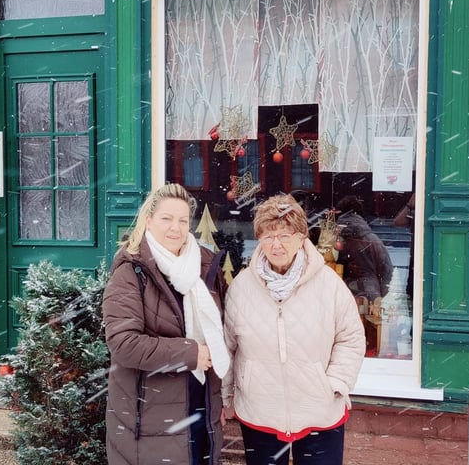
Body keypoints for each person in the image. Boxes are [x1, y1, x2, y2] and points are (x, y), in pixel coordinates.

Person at [222, 193, 365, 465]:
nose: (276, 245)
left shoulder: (328, 284)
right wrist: (227, 395)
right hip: (260, 410)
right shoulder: (242, 287)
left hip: (318, 411)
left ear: (301, 237)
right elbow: (228, 346)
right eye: (268, 237)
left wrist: (335, 384)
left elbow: (351, 338)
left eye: (285, 236)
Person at [103, 184, 231, 465]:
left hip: (201, 410)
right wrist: (190, 353)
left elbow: (219, 336)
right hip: (149, 423)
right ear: (148, 220)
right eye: (166, 218)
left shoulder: (204, 268)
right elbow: (124, 344)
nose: (176, 228)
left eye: (183, 220)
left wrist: (218, 398)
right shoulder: (130, 271)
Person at [335, 195, 394, 304]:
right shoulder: (374, 240)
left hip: (339, 294)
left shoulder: (333, 239)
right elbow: (387, 271)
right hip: (370, 295)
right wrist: (378, 294)